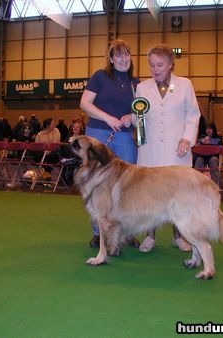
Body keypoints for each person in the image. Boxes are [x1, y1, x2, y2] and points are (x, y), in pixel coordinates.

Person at [135, 44, 200, 253]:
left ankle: (179, 236)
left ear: (170, 64)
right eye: (152, 65)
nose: (155, 69)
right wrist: (134, 124)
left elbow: (193, 115)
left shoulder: (185, 85)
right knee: (149, 195)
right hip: (150, 151)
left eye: (160, 64)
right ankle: (149, 236)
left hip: (176, 151)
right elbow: (140, 118)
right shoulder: (142, 88)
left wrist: (186, 139)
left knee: (177, 196)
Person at [79, 39, 139, 249]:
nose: (124, 59)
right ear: (111, 59)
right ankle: (99, 233)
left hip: (124, 137)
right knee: (97, 184)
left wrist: (131, 116)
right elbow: (85, 104)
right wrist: (108, 118)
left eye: (127, 54)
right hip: (97, 134)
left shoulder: (136, 82)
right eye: (119, 55)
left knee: (128, 186)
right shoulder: (100, 76)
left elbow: (141, 110)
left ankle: (127, 231)